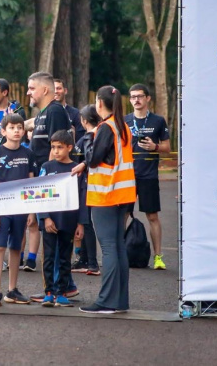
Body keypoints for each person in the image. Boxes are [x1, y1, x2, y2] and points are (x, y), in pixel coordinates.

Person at [75, 85, 135, 314]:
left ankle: (107, 301)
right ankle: (119, 300)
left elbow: (93, 158)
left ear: (99, 103)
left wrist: (89, 136)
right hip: (123, 194)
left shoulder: (105, 128)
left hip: (106, 195)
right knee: (117, 247)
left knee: (109, 248)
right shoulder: (123, 127)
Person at [23, 71, 72, 272]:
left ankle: (60, 286)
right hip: (40, 181)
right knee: (48, 235)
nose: (28, 93)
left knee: (54, 237)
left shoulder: (55, 112)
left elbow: (57, 150)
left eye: (32, 88)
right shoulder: (43, 113)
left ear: (45, 90)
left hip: (51, 185)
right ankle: (58, 286)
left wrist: (49, 184)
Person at [0, 114, 35, 306]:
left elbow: (31, 184)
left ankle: (12, 289)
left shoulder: (28, 154)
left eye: (19, 127)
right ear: (3, 132)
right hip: (1, 208)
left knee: (16, 248)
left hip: (20, 209)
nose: (16, 131)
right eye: (12, 127)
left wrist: (31, 212)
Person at [125, 83, 171, 270]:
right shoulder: (124, 120)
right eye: (133, 97)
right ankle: (119, 256)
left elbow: (167, 149)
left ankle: (158, 257)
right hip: (127, 176)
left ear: (148, 98)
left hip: (148, 175)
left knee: (152, 216)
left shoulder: (158, 121)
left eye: (140, 96)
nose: (136, 100)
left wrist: (155, 147)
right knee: (123, 215)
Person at [35, 130, 81, 307]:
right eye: (53, 147)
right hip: (50, 222)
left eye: (59, 147)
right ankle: (49, 292)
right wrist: (45, 218)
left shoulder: (76, 169)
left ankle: (61, 292)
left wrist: (81, 223)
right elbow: (39, 194)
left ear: (69, 147)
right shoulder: (46, 167)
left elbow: (81, 198)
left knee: (64, 257)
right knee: (48, 257)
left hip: (68, 220)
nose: (55, 151)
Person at [71, 105, 101, 276]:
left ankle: (92, 262)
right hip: (92, 184)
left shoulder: (88, 138)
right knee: (84, 220)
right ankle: (83, 259)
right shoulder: (101, 134)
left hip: (87, 184)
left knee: (86, 221)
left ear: (83, 120)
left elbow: (80, 158)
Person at [54, 78, 85, 142]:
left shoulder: (76, 113)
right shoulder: (46, 113)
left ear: (65, 91)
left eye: (59, 88)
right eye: (53, 89)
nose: (55, 91)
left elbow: (80, 139)